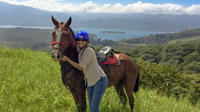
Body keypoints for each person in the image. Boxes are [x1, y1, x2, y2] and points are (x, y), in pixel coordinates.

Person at [61, 31, 108, 112]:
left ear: (87, 41)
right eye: (78, 40)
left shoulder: (88, 50)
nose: (80, 42)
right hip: (90, 82)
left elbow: (81, 67)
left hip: (99, 80)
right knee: (91, 107)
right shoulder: (80, 51)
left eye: (83, 40)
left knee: (94, 108)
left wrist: (68, 60)